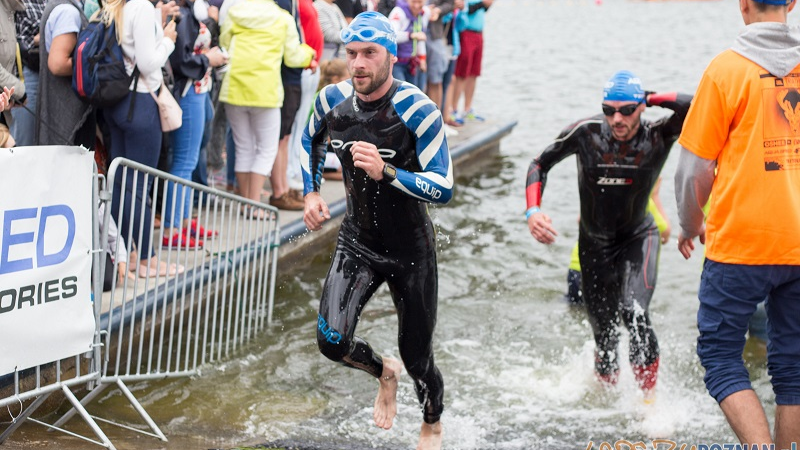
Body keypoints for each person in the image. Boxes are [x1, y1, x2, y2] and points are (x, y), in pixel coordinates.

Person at [301, 11, 453, 449]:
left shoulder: (417, 109)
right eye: (351, 54)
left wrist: (389, 172)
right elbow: (309, 141)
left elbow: (443, 188)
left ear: (391, 55)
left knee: (419, 358)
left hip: (411, 249)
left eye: (370, 53)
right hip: (358, 242)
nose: (359, 64)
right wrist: (311, 193)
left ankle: (432, 422)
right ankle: (384, 373)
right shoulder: (332, 101)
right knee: (332, 341)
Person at [674, 0, 800, 446]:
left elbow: (693, 171)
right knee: (794, 366)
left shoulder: (725, 70)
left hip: (741, 244)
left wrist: (690, 224)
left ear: (743, 5)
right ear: (792, 3)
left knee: (722, 355)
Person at [525, 70, 692, 400]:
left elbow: (697, 106)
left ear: (641, 108)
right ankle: (607, 399)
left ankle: (649, 401)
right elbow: (539, 163)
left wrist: (653, 96)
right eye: (609, 110)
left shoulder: (658, 135)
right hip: (594, 243)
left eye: (627, 110)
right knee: (603, 332)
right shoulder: (585, 134)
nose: (616, 118)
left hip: (638, 237)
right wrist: (533, 210)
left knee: (636, 313)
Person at [105, 0, 182, 278]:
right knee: (140, 186)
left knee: (121, 184)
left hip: (118, 102)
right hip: (141, 102)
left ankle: (127, 253)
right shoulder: (141, 7)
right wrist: (168, 41)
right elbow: (149, 63)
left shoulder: (118, 7)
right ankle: (147, 258)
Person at [219, 0, 315, 211]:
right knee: (266, 150)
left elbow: (224, 44)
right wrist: (310, 53)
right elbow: (293, 57)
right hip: (265, 90)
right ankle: (254, 207)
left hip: (234, 88)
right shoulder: (282, 18)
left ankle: (246, 204)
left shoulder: (235, 13)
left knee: (244, 149)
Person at [162, 0, 227, 248]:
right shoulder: (185, 14)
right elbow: (181, 61)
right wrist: (209, 60)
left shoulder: (191, 12)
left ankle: (184, 220)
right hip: (189, 91)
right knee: (184, 161)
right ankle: (172, 228)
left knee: (188, 160)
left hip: (198, 90)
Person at [564, 179, 671, 306]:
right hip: (609, 274)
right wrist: (654, 195)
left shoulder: (602, 192)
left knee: (576, 315)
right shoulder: (639, 200)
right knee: (615, 320)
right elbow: (664, 235)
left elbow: (580, 220)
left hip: (578, 267)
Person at [36, 0, 95, 148]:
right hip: (68, 114)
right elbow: (57, 64)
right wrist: (94, 68)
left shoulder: (61, 6)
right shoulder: (68, 12)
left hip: (62, 110)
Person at [450, 0, 491, 123]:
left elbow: (485, 7)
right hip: (466, 33)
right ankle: (453, 109)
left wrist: (486, 4)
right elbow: (463, 7)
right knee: (462, 73)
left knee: (474, 73)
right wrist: (483, 3)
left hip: (478, 33)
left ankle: (467, 109)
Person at [388, 0, 430, 89]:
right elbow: (391, 36)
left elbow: (420, 37)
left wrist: (422, 59)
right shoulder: (398, 12)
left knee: (413, 93)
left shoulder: (423, 13)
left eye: (420, 3)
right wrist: (411, 35)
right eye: (413, 2)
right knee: (400, 92)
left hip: (412, 63)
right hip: (397, 63)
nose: (416, 6)